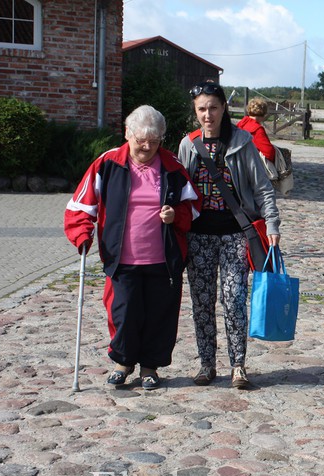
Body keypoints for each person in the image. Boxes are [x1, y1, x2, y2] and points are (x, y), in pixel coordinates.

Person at [64, 105, 201, 391]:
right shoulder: (108, 163)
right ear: (128, 134)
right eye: (141, 140)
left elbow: (193, 209)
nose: (147, 146)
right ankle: (122, 363)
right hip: (121, 256)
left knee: (159, 313)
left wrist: (176, 215)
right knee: (124, 312)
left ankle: (150, 367)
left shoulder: (172, 167)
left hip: (163, 257)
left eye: (154, 141)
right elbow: (80, 205)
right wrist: (82, 234)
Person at [178, 81, 281, 390]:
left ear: (223, 108)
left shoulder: (242, 141)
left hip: (236, 235)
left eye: (213, 108)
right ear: (195, 112)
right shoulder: (188, 144)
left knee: (234, 300)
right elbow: (177, 188)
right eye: (201, 109)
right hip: (199, 237)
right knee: (202, 302)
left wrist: (273, 225)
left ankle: (238, 365)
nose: (207, 115)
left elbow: (263, 188)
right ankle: (206, 363)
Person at [237, 97, 275, 164]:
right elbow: (269, 152)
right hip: (251, 166)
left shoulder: (240, 124)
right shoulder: (257, 130)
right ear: (263, 113)